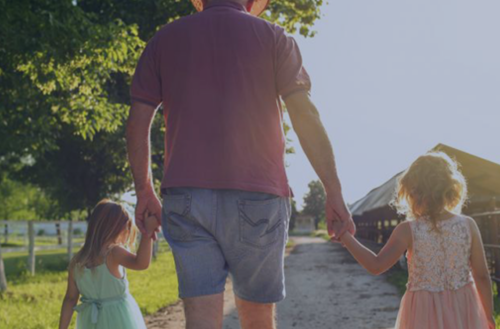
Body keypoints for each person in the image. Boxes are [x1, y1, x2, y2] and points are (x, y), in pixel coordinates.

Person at [125, 0, 355, 328]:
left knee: (201, 320)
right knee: (258, 319)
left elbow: (137, 121)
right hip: (258, 195)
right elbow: (304, 115)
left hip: (187, 197)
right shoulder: (275, 37)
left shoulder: (165, 39)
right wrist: (333, 190)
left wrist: (144, 189)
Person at [334, 152, 495, 329]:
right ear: (450, 188)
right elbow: (481, 276)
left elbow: (376, 265)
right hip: (464, 308)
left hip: (424, 315)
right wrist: (488, 315)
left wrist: (345, 237)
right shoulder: (468, 225)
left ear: (414, 192)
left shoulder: (408, 230)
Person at [58, 199, 158, 329]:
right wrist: (147, 233)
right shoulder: (113, 252)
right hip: (118, 319)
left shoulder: (77, 261)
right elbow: (141, 263)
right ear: (120, 228)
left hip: (90, 322)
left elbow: (70, 299)